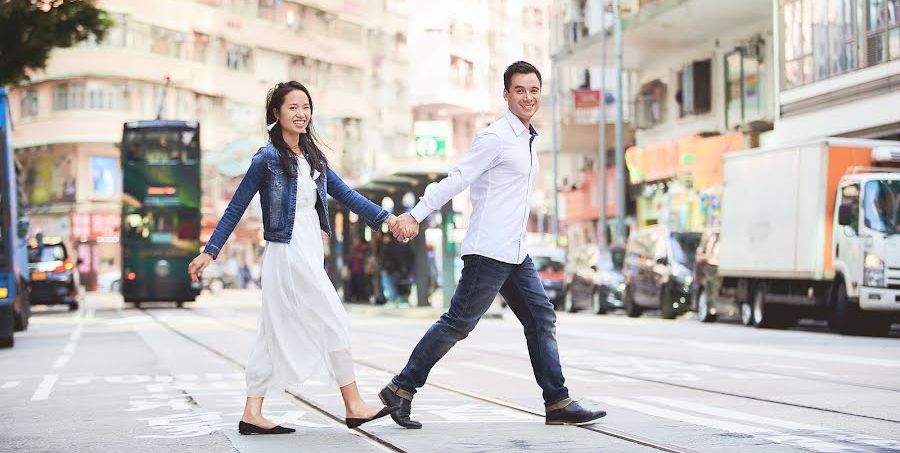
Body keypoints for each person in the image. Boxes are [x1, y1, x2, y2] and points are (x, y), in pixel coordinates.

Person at [384, 61, 607, 428]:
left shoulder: (528, 138)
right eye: (520, 90)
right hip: (488, 250)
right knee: (458, 323)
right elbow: (457, 179)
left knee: (540, 318)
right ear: (506, 94)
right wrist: (416, 214)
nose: (528, 97)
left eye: (534, 91)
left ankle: (557, 401)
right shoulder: (495, 137)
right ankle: (400, 389)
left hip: (515, 252)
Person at [187, 81, 398, 435]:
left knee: (270, 333)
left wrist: (387, 218)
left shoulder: (313, 158)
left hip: (308, 248)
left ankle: (252, 412)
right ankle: (354, 404)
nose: (302, 114)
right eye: (293, 108)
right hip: (286, 251)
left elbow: (346, 195)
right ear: (276, 114)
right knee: (333, 318)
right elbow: (236, 207)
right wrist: (210, 250)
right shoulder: (266, 159)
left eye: (306, 107)